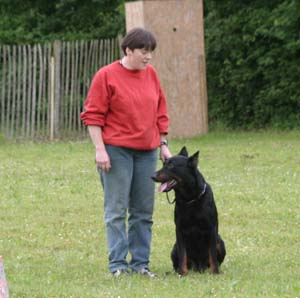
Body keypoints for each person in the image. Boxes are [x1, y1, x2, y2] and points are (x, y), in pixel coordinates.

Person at [81, 27, 172, 277]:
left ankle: (140, 264)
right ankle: (118, 265)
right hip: (116, 151)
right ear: (128, 50)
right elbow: (92, 116)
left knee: (143, 211)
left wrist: (163, 144)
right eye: (144, 51)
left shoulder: (151, 74)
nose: (148, 57)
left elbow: (159, 110)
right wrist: (100, 150)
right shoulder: (106, 76)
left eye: (151, 52)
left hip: (147, 153)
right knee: (117, 210)